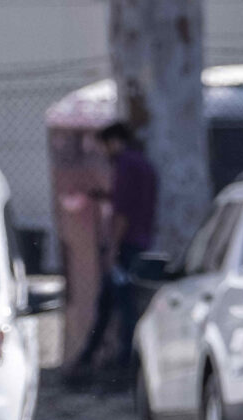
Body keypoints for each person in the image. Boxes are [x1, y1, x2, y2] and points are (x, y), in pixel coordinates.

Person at [70, 121, 158, 377]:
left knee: (122, 305)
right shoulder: (142, 164)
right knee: (109, 302)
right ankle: (90, 357)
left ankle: (122, 364)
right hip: (140, 243)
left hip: (126, 246)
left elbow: (122, 213)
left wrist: (113, 248)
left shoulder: (126, 166)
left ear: (114, 141)